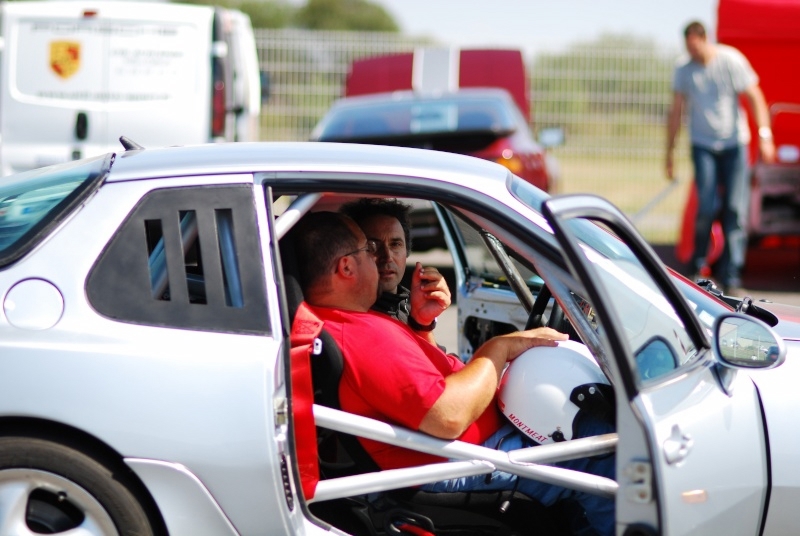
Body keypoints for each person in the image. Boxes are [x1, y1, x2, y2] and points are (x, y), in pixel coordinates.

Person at [291, 211, 615, 535]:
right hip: (456, 463)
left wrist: (421, 326)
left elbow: (414, 381)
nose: (379, 260)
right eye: (368, 250)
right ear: (346, 267)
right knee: (601, 453)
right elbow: (447, 417)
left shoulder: (351, 322)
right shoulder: (360, 334)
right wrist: (498, 349)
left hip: (462, 451)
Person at [666, 21, 775, 294]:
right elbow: (676, 110)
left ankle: (732, 272)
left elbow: (755, 97)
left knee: (734, 209)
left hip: (734, 144)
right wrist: (669, 151)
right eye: (688, 49)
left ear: (704, 39)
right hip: (703, 145)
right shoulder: (684, 69)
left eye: (696, 47)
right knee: (705, 206)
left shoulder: (730, 60)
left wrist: (765, 135)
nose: (693, 54)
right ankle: (698, 265)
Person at [340, 198, 450, 346]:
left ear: (407, 250)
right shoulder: (355, 317)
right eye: (372, 246)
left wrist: (423, 323)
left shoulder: (410, 305)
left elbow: (437, 365)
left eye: (395, 244)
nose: (387, 256)